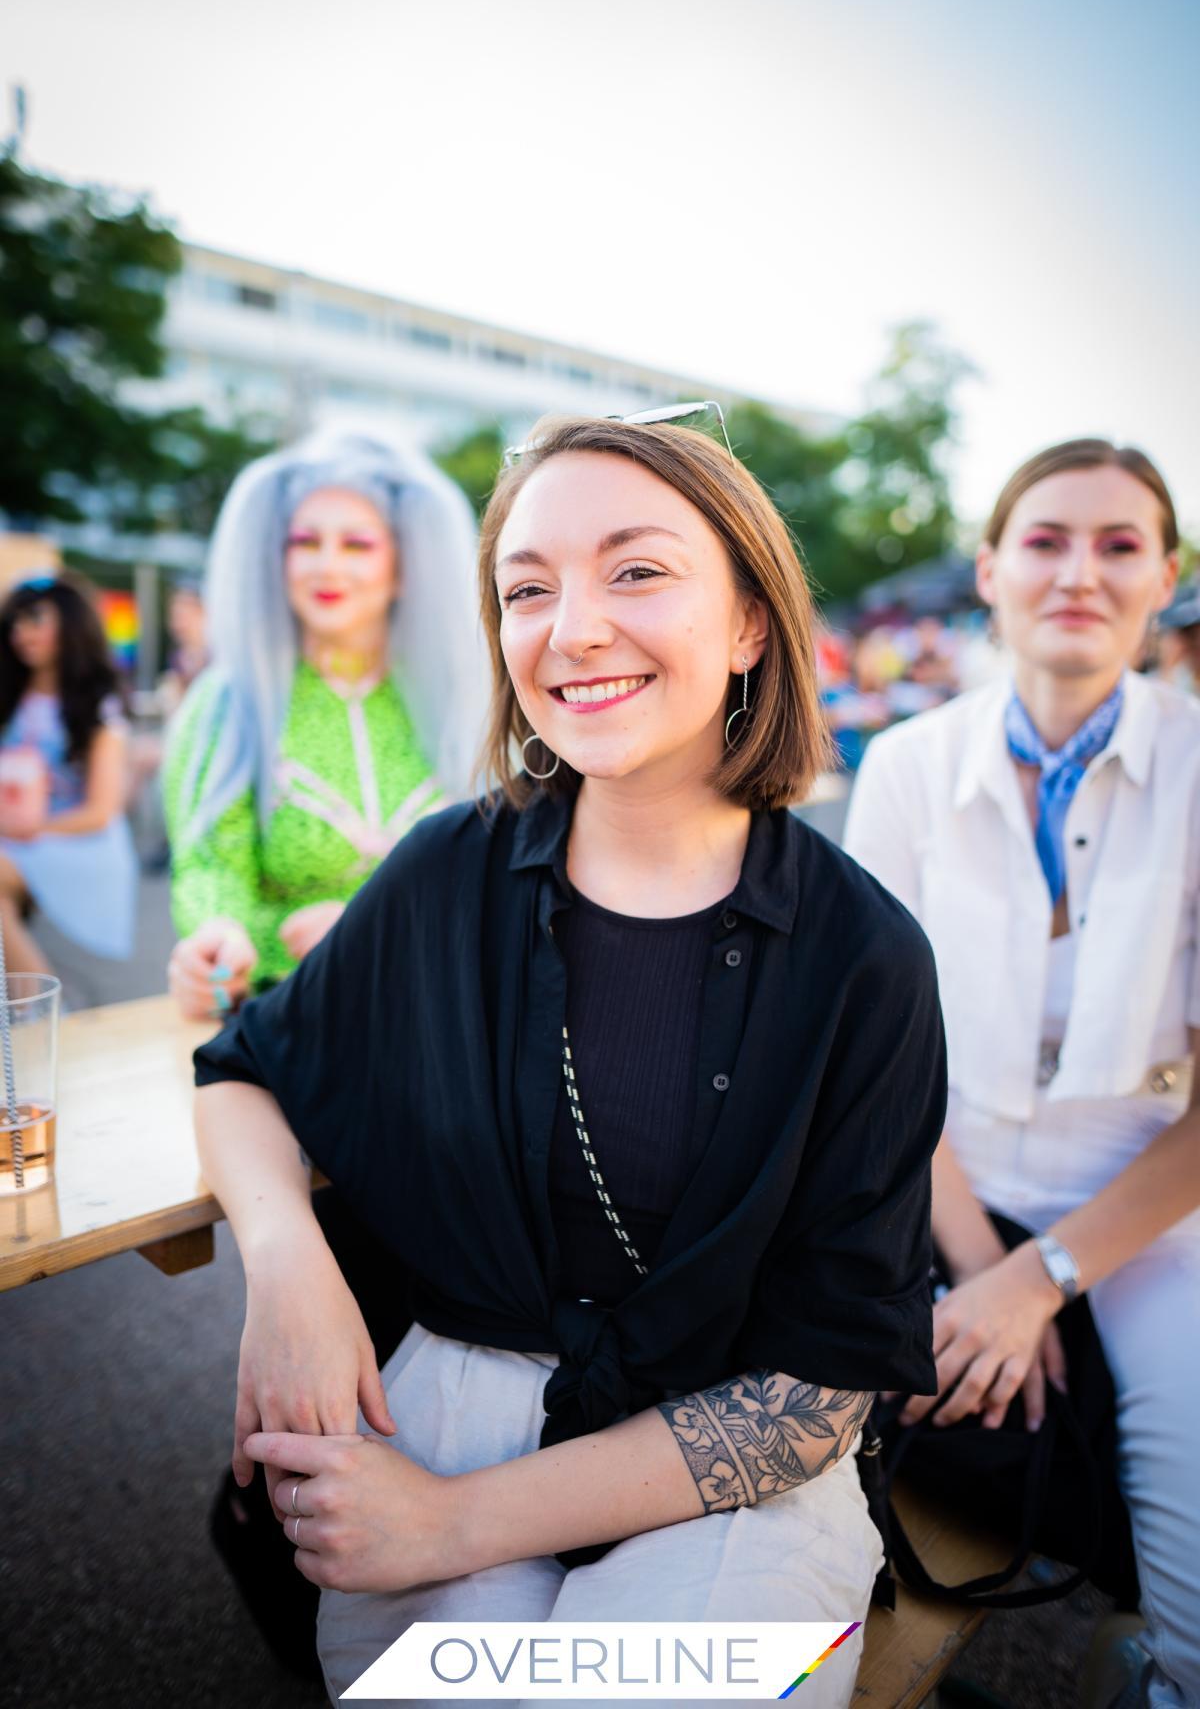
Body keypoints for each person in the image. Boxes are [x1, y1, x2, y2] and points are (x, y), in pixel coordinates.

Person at [192, 411, 946, 1709]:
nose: (573, 628)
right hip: (448, 1411)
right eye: (527, 589)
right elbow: (244, 1070)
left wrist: (454, 1524)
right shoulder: (449, 870)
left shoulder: (863, 956)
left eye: (636, 571)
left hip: (732, 1477)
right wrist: (287, 1263)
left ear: (752, 623)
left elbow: (815, 1398)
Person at [844, 438, 1200, 1708]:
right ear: (991, 570)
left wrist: (1043, 1277)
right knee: (794, 1436)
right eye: (1046, 540)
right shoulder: (907, 763)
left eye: (1119, 545)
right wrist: (978, 1263)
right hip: (934, 1179)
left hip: (1152, 1210)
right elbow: (880, 1060)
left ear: (1165, 576)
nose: (1079, 573)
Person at [164, 430, 486, 1016]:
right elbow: (210, 864)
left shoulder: (462, 703)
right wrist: (217, 940)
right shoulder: (229, 703)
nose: (327, 565)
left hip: (446, 1014)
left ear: (403, 568)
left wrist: (374, 928)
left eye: (357, 544)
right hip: (290, 1016)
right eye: (306, 542)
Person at [0, 572, 137, 969]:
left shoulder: (98, 706)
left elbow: (100, 812)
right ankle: (34, 999)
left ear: (70, 624)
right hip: (16, 838)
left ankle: (40, 1002)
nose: (22, 633)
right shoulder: (11, 697)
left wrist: (26, 829)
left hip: (77, 841)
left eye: (35, 619)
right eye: (15, 623)